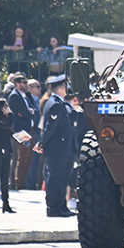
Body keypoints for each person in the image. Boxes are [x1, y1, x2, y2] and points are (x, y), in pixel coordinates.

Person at [35, 75, 77, 217]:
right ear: (61, 88)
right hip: (57, 149)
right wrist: (41, 143)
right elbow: (49, 128)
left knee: (63, 178)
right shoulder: (55, 104)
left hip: (64, 148)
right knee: (55, 179)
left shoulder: (59, 103)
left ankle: (61, 206)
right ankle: (54, 208)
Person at [7, 75, 38, 190]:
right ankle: (18, 184)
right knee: (21, 158)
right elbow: (25, 113)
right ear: (17, 84)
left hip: (29, 130)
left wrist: (29, 112)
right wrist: (28, 113)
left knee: (28, 159)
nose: (27, 85)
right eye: (24, 83)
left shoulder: (26, 96)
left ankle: (23, 182)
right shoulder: (14, 96)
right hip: (21, 131)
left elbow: (34, 110)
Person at [25, 79, 44, 189]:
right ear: (30, 88)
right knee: (31, 161)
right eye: (37, 86)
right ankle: (30, 184)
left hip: (37, 132)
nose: (40, 89)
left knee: (36, 161)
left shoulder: (37, 100)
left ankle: (33, 183)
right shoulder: (28, 99)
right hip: (32, 132)